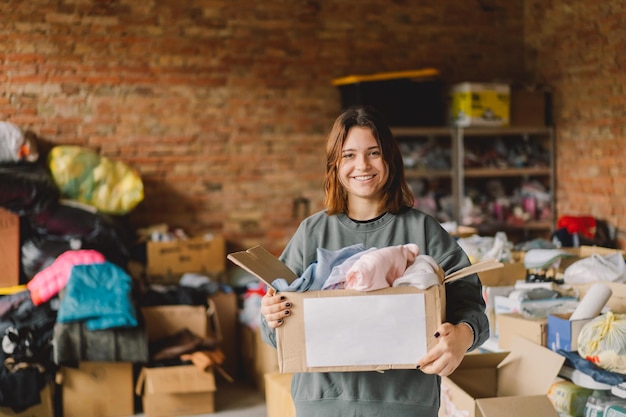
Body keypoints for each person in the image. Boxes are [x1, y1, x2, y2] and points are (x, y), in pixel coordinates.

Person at [260, 105, 489, 417]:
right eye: (349, 155)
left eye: (374, 152)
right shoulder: (312, 233)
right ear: (334, 164)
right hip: (325, 403)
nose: (362, 165)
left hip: (404, 403)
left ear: (390, 159)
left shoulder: (422, 230)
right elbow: (276, 328)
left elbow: (471, 304)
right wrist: (271, 316)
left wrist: (464, 335)